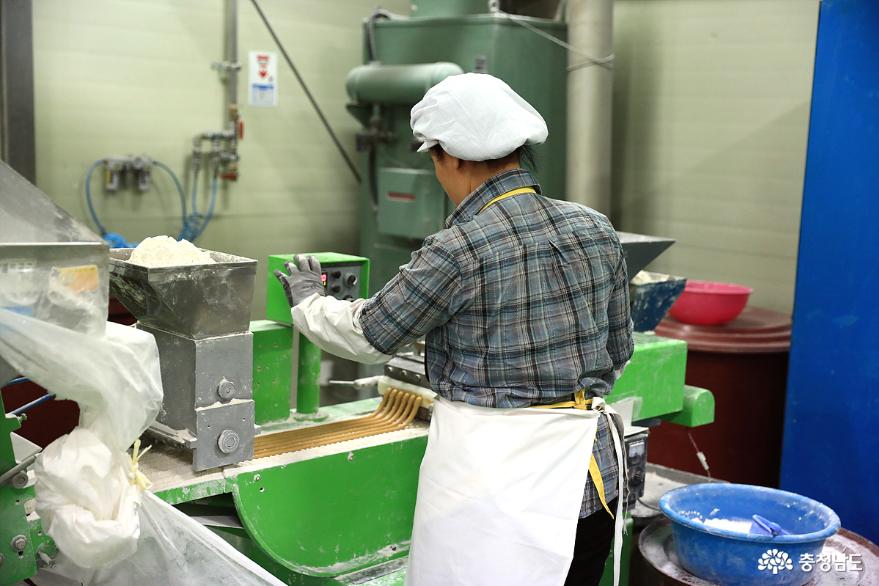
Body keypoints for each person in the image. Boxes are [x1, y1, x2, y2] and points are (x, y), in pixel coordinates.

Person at [274, 73, 634, 586]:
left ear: (454, 156)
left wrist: (309, 302)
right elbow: (620, 349)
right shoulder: (595, 226)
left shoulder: (460, 248)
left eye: (435, 158)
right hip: (593, 481)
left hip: (501, 499)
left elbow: (369, 336)